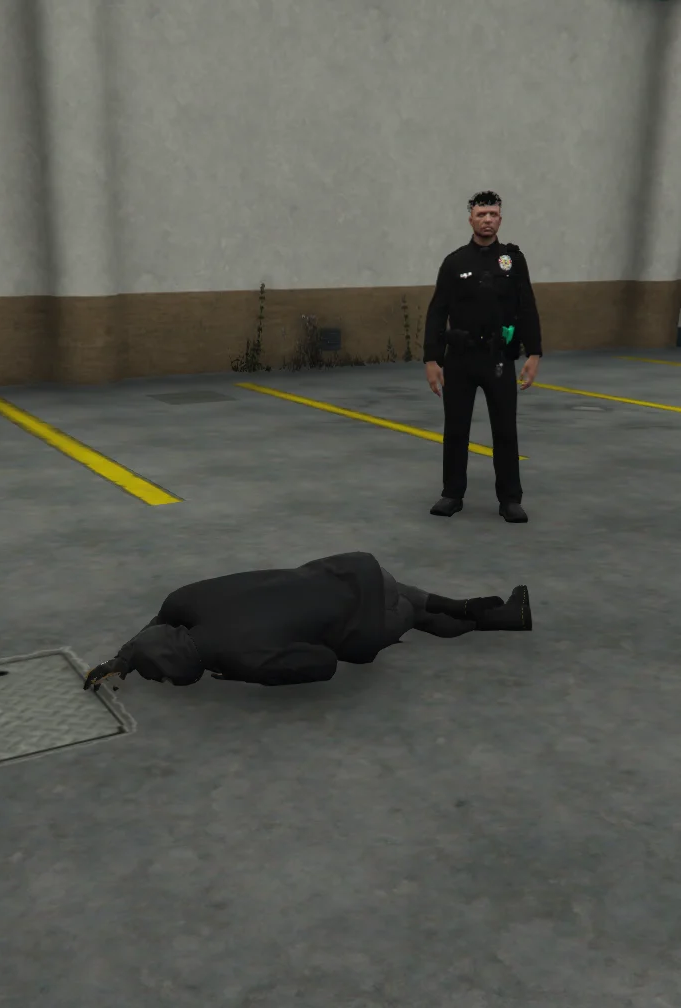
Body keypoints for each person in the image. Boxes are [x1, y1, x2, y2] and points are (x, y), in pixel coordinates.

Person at [83, 551, 532, 690]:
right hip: (351, 571)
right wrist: (125, 656)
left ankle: (489, 617)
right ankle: (486, 611)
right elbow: (160, 618)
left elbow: (324, 664)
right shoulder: (186, 601)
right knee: (407, 595)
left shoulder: (244, 658)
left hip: (363, 623)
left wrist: (252, 674)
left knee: (414, 615)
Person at [422, 191, 543, 523]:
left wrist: (534, 352)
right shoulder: (455, 262)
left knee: (505, 430)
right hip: (460, 359)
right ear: (471, 219)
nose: (487, 220)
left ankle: (510, 499)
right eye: (481, 214)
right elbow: (437, 311)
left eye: (492, 214)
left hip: (498, 358)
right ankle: (452, 493)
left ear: (500, 219)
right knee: (455, 428)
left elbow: (527, 306)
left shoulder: (512, 261)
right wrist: (432, 359)